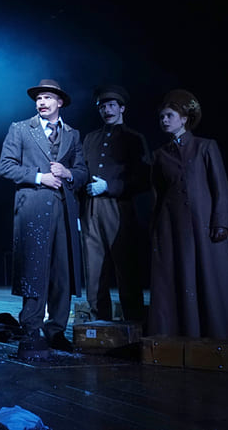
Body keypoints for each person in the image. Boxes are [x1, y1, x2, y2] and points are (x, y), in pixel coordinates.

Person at [149, 90, 228, 340]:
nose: (164, 120)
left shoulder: (205, 146)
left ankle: (217, 332)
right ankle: (180, 332)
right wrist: (157, 229)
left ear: (184, 118)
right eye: (161, 117)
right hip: (172, 225)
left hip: (203, 222)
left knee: (210, 276)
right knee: (178, 275)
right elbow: (158, 193)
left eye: (169, 115)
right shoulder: (160, 154)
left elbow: (221, 187)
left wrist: (221, 222)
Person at [0, 79, 88, 357]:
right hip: (33, 207)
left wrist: (68, 173)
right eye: (39, 98)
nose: (42, 102)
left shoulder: (72, 134)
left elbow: (82, 172)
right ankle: (31, 327)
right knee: (34, 269)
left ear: (59, 102)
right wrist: (40, 177)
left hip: (63, 209)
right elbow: (6, 166)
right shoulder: (20, 129)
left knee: (62, 271)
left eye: (48, 97)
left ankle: (56, 330)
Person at [80, 85, 149, 322]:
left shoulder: (134, 138)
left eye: (111, 105)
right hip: (91, 210)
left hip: (118, 208)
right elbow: (82, 173)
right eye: (102, 106)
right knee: (94, 270)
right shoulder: (91, 138)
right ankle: (99, 325)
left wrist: (110, 186)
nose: (107, 110)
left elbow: (144, 179)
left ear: (122, 108)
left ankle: (133, 324)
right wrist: (80, 212)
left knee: (126, 269)